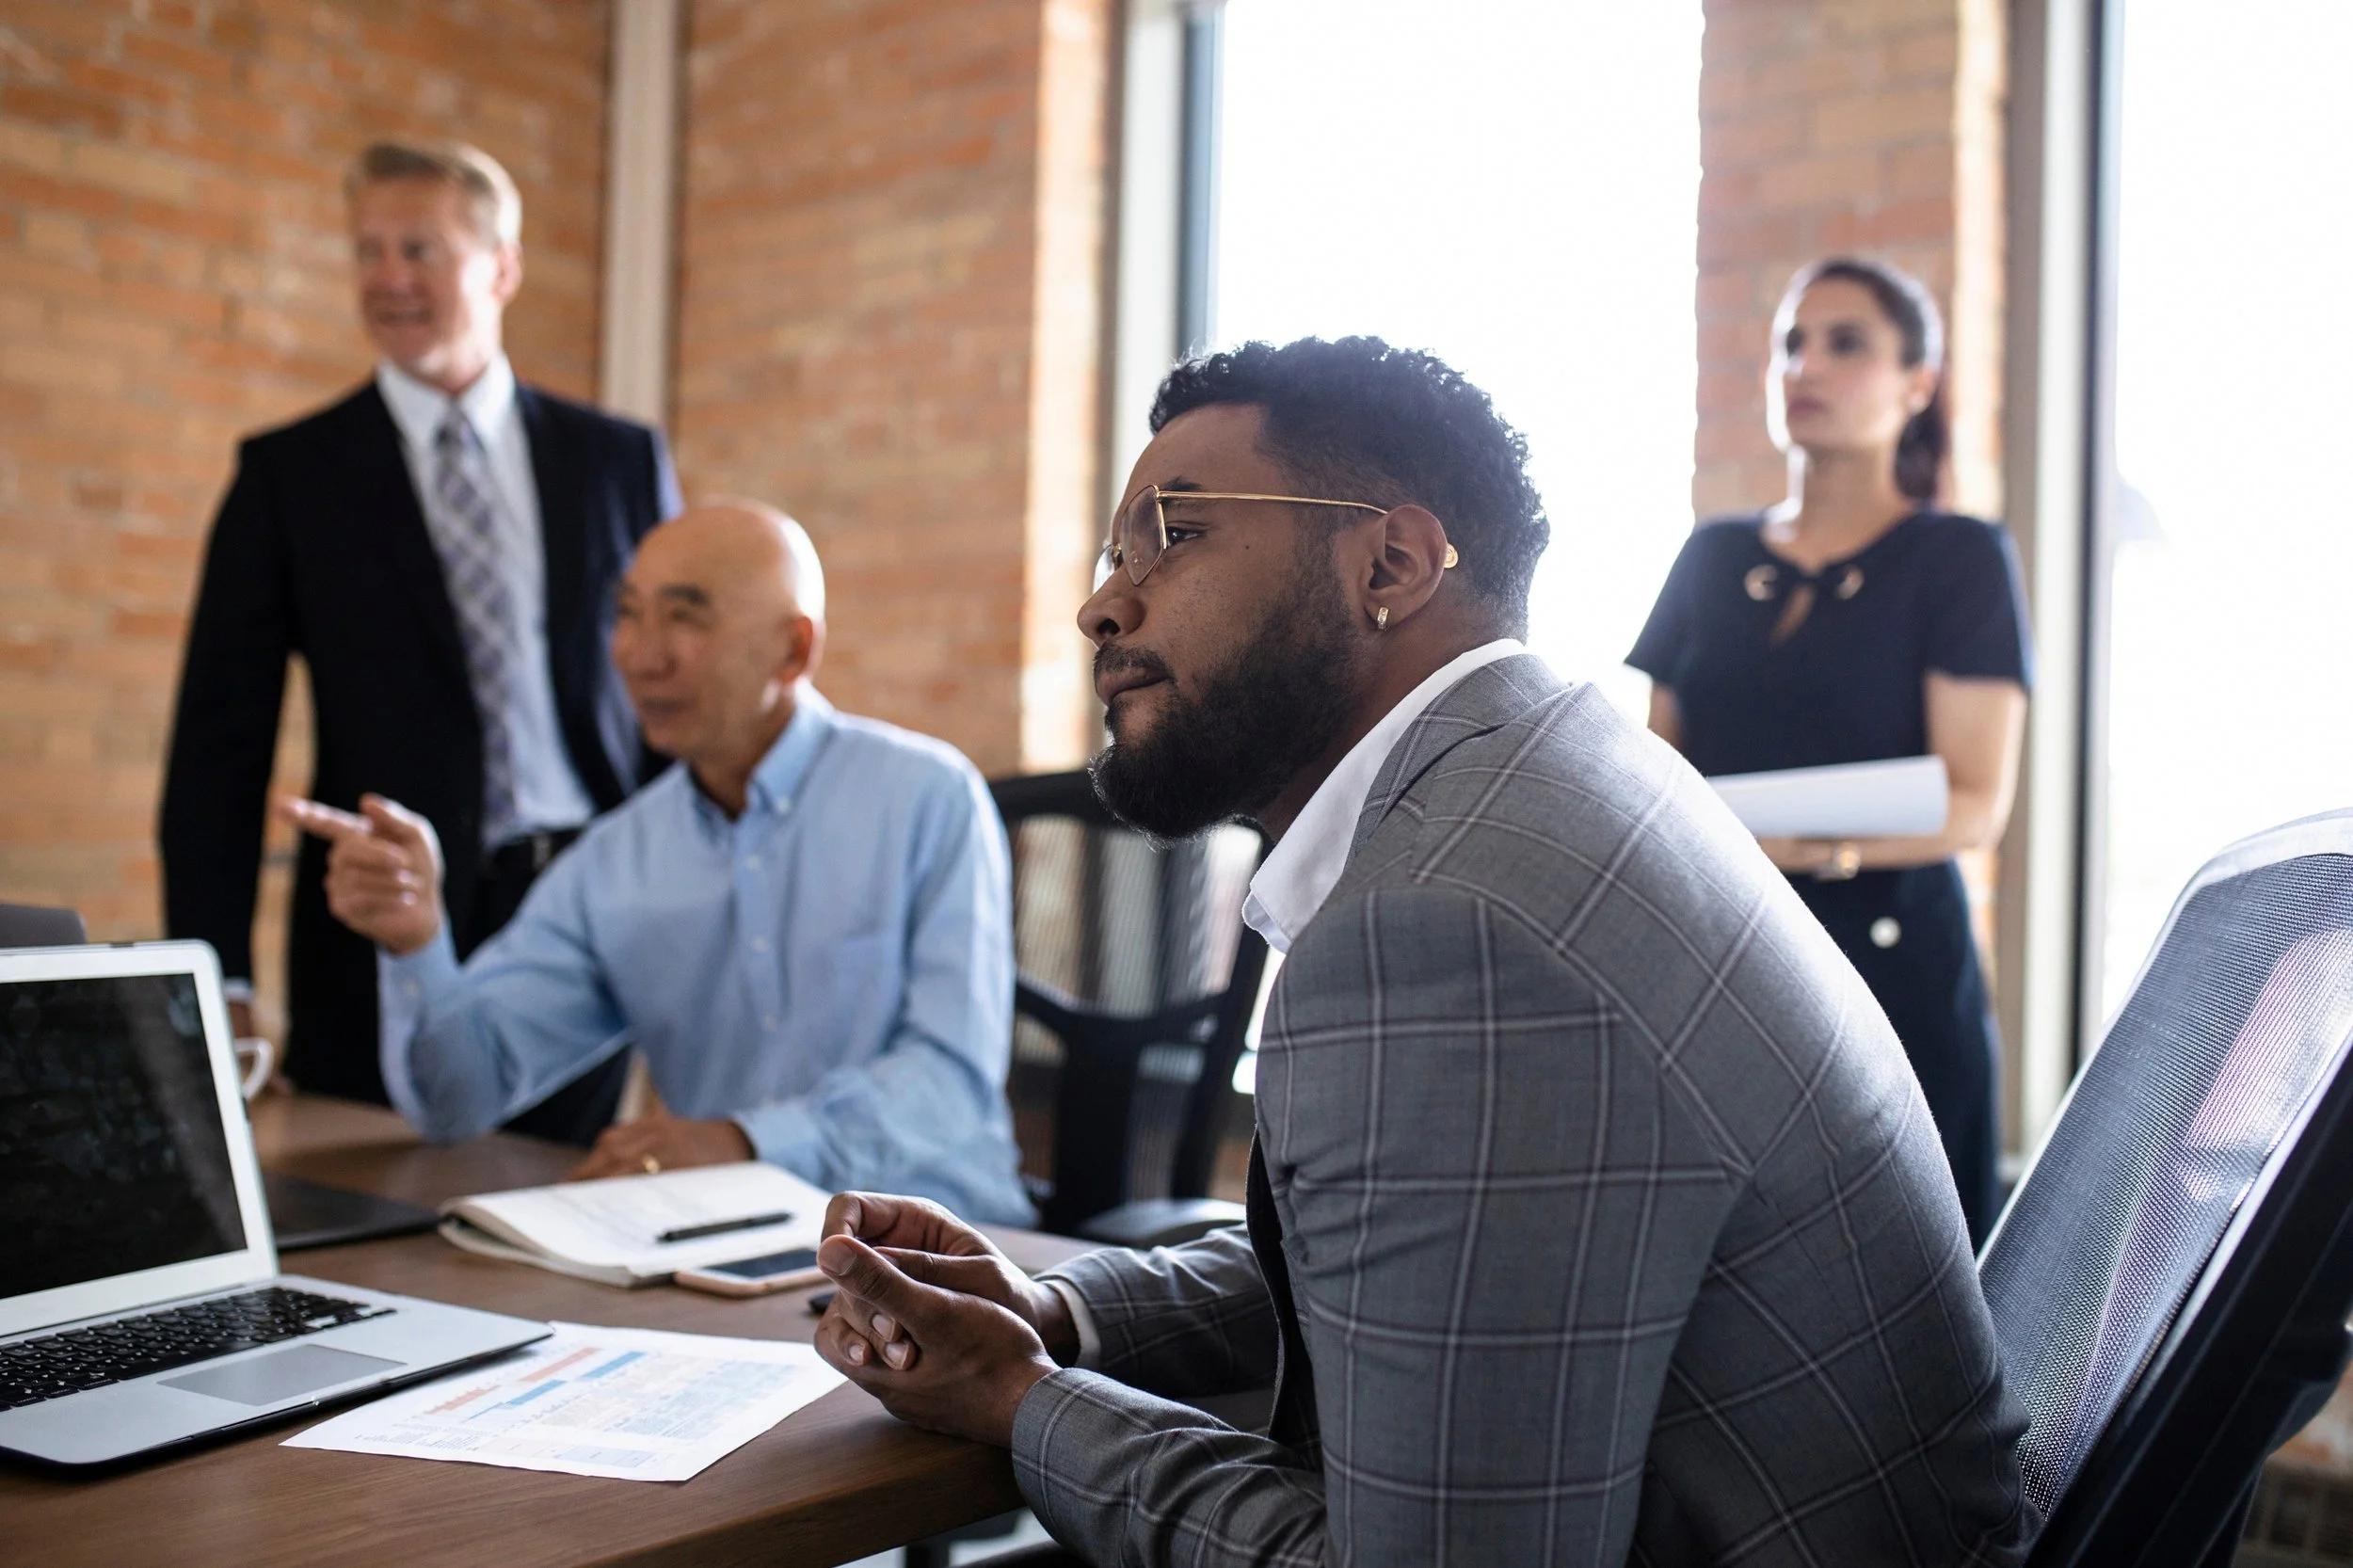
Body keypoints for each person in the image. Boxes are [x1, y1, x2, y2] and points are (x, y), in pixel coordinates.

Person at [802, 337, 2034, 1564]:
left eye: (1175, 534)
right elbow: (1428, 1267)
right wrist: (1053, 1312)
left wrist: (1020, 1399)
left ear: (1389, 562)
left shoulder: (1448, 922)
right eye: (1116, 551)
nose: (1103, 601)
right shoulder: (1558, 779)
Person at [280, 501, 1032, 1223]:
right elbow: (457, 1100)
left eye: (685, 616)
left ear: (794, 649)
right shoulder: (615, 860)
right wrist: (416, 943)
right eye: (629, 613)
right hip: (722, 1248)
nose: (642, 655)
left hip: (952, 1246)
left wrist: (740, 1144)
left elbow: (949, 1084)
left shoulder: (928, 798)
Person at [160, 138, 680, 1143]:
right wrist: (214, 974)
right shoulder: (286, 475)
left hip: (586, 909)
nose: (388, 278)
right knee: (377, 1232)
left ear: (502, 267)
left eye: (420, 249)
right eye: (367, 251)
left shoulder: (618, 461)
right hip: (373, 922)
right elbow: (218, 749)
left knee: (564, 1217)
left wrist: (689, 934)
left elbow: (674, 700)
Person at [1627, 256, 2032, 1243]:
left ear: (1916, 384)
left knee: (1904, 1275)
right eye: (1791, 344)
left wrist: (1803, 854)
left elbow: (1975, 800)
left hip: (1889, 967)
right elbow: (1652, 781)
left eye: (1845, 343)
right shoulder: (1713, 556)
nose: (1805, 365)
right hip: (1718, 961)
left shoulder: (1957, 559)